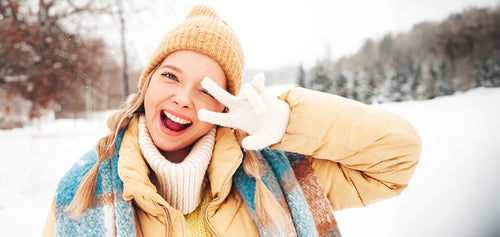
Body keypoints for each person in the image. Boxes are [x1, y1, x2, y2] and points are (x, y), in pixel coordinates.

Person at [43, 4, 421, 237]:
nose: (183, 98)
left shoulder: (276, 175)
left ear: (226, 107)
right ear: (147, 84)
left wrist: (289, 120)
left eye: (207, 89)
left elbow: (397, 159)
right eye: (170, 76)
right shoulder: (81, 190)